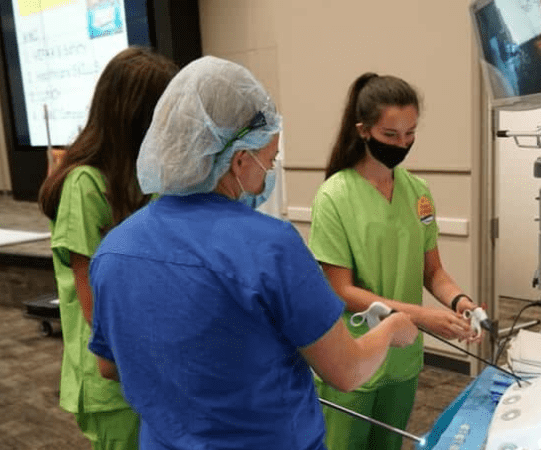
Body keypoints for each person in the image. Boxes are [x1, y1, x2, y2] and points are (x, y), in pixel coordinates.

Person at [85, 56, 419, 450]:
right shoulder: (270, 245)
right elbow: (346, 371)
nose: (270, 171)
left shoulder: (116, 248)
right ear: (240, 160)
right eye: (270, 158)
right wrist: (393, 329)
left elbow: (110, 365)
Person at [308, 73, 483, 450]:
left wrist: (460, 302)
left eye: (410, 134)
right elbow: (341, 290)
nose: (402, 144)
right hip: (352, 357)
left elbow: (433, 271)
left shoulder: (417, 193)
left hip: (402, 359)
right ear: (364, 130)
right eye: (391, 135)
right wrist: (421, 317)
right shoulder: (334, 196)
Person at [37, 46, 177, 450]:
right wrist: (134, 363)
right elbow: (94, 304)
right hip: (116, 374)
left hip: (155, 362)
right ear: (135, 116)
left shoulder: (148, 175)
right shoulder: (85, 185)